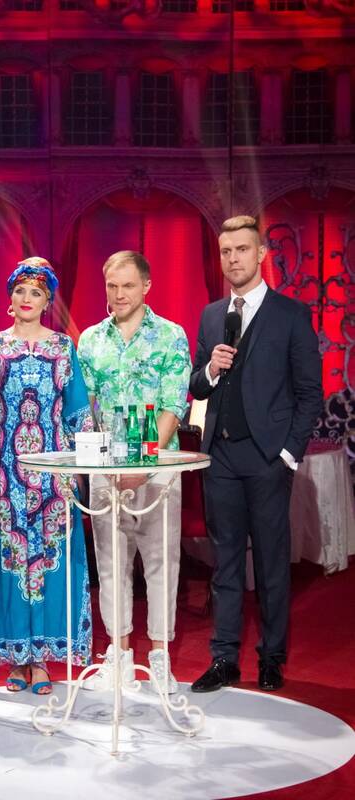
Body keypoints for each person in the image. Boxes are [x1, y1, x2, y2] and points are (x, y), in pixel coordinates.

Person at [189, 216, 322, 693]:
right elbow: (196, 385)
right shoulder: (212, 316)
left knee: (270, 563)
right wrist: (211, 368)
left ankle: (272, 657)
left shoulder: (291, 314)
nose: (233, 259)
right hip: (220, 457)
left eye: (242, 249)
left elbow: (310, 394)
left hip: (267, 458)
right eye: (226, 251)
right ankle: (224, 658)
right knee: (224, 562)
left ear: (261, 254)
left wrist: (287, 453)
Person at [0, 257, 93, 695]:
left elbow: (78, 415)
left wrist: (83, 474)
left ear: (47, 301)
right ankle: (15, 658)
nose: (27, 298)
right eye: (21, 290)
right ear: (10, 297)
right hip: (3, 476)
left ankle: (42, 659)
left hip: (53, 479)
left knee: (48, 568)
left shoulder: (62, 348)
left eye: (36, 293)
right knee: (8, 565)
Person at [77, 250, 191, 693]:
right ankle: (119, 655)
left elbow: (173, 407)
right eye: (112, 286)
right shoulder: (91, 340)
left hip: (157, 470)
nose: (120, 294)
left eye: (128, 285)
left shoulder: (171, 336)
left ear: (146, 286)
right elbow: (86, 411)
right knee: (111, 564)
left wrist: (143, 465)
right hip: (106, 472)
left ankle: (160, 657)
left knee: (161, 562)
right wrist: (98, 463)